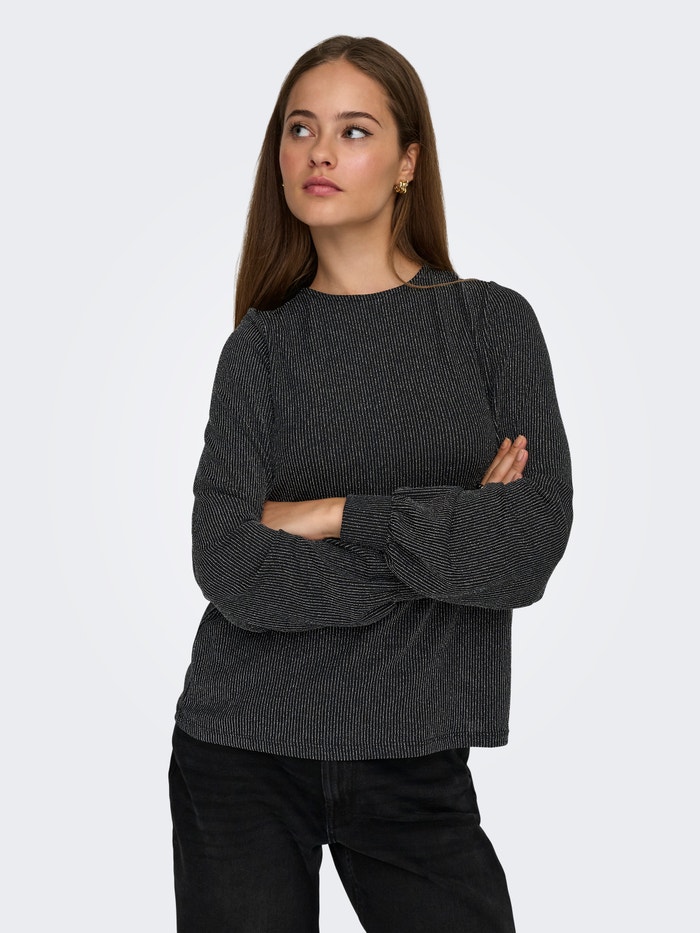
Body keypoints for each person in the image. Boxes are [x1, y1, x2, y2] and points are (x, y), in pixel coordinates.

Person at [168, 34, 573, 933]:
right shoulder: (260, 348)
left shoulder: (491, 326)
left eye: (353, 131)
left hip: (414, 756)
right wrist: (446, 543)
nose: (319, 152)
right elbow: (228, 561)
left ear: (407, 163)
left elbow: (527, 548)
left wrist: (328, 515)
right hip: (240, 744)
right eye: (300, 128)